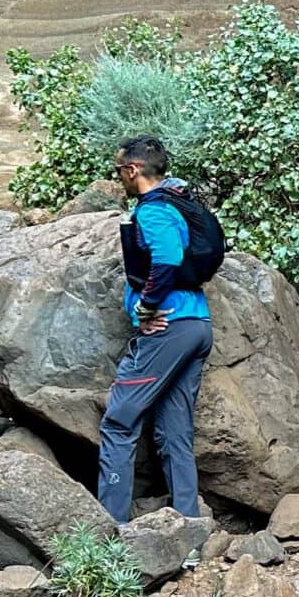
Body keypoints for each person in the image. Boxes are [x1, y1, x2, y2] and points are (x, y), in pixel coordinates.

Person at [99, 136, 214, 521]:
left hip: (169, 329)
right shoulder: (180, 199)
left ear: (133, 170)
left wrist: (147, 306)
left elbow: (166, 257)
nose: (120, 180)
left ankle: (107, 534)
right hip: (197, 323)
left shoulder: (154, 210)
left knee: (119, 422)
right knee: (175, 432)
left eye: (120, 172)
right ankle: (188, 531)